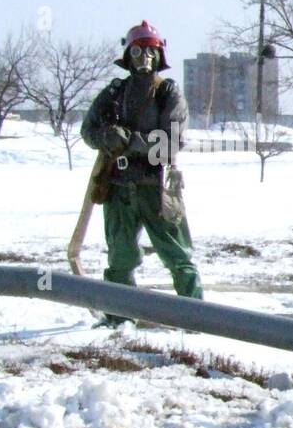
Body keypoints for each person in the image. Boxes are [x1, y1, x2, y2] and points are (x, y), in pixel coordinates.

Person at [81, 20, 202, 318]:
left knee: (178, 257)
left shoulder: (168, 93)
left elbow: (169, 143)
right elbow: (88, 130)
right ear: (128, 54)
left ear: (159, 54)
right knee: (120, 259)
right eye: (138, 50)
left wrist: (130, 140)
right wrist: (106, 137)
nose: (144, 57)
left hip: (159, 186)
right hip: (119, 188)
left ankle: (198, 320)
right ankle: (118, 318)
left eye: (150, 50)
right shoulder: (114, 92)